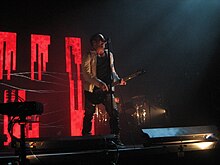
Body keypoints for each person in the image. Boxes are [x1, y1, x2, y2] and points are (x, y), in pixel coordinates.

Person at [81, 33, 126, 146]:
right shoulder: (88, 56)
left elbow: (113, 71)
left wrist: (118, 79)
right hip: (92, 90)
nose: (103, 43)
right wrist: (99, 83)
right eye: (100, 41)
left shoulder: (109, 55)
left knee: (114, 113)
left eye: (103, 41)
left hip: (107, 89)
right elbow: (86, 74)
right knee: (89, 114)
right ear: (94, 43)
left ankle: (116, 138)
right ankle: (86, 139)